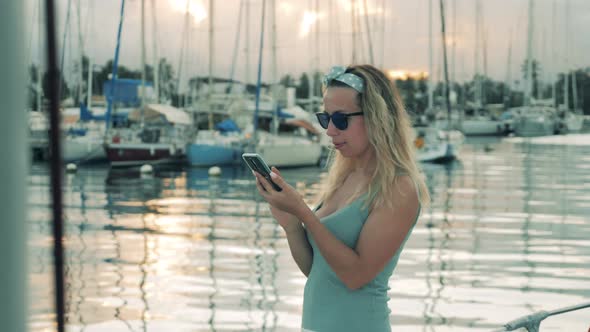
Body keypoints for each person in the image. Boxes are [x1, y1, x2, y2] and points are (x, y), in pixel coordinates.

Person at [252, 64, 430, 332]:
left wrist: (303, 213)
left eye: (341, 120)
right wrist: (290, 223)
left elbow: (355, 276)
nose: (330, 130)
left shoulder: (399, 187)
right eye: (326, 119)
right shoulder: (345, 177)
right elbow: (319, 271)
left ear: (376, 118)